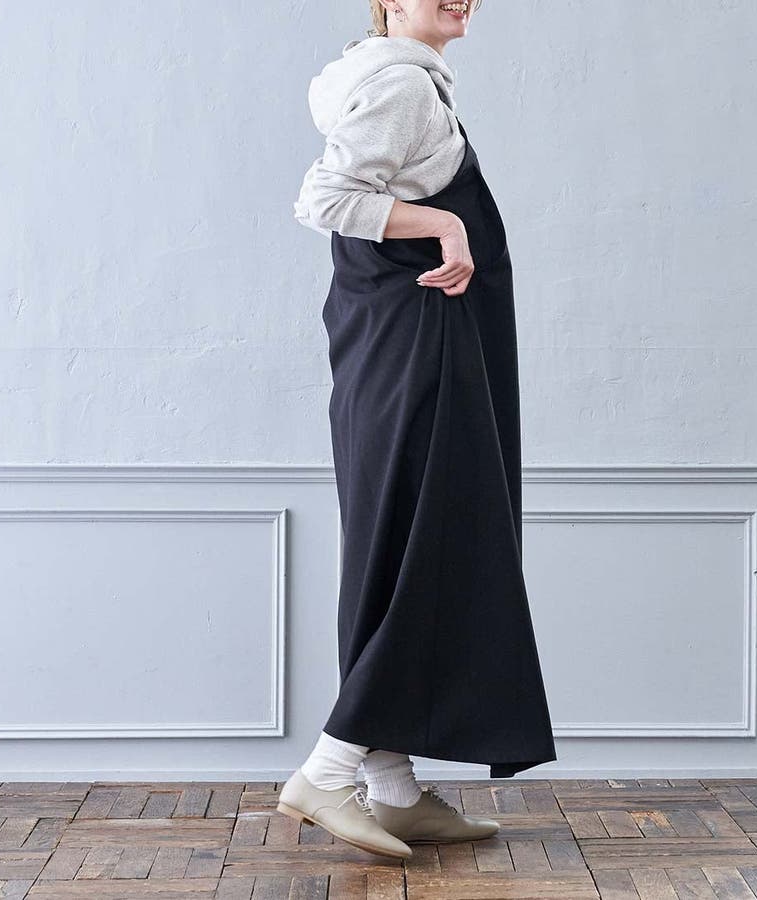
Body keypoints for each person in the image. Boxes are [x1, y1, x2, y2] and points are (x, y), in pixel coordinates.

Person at [278, 0, 557, 859]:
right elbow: (325, 197)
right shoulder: (401, 85)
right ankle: (328, 771)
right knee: (435, 545)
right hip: (421, 353)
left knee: (396, 548)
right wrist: (444, 222)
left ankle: (392, 789)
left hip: (392, 350)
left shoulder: (393, 79)